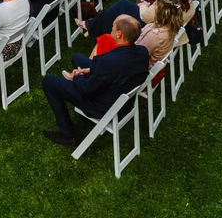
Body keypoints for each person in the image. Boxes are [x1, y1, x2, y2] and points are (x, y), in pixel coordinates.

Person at [41, 15, 149, 147]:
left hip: (100, 106)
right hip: (122, 98)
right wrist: (88, 71)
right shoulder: (142, 52)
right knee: (77, 58)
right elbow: (116, 71)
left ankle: (67, 135)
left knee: (49, 82)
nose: (111, 29)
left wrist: (77, 77)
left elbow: (87, 90)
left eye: (113, 27)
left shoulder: (108, 62)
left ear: (119, 34)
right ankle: (79, 75)